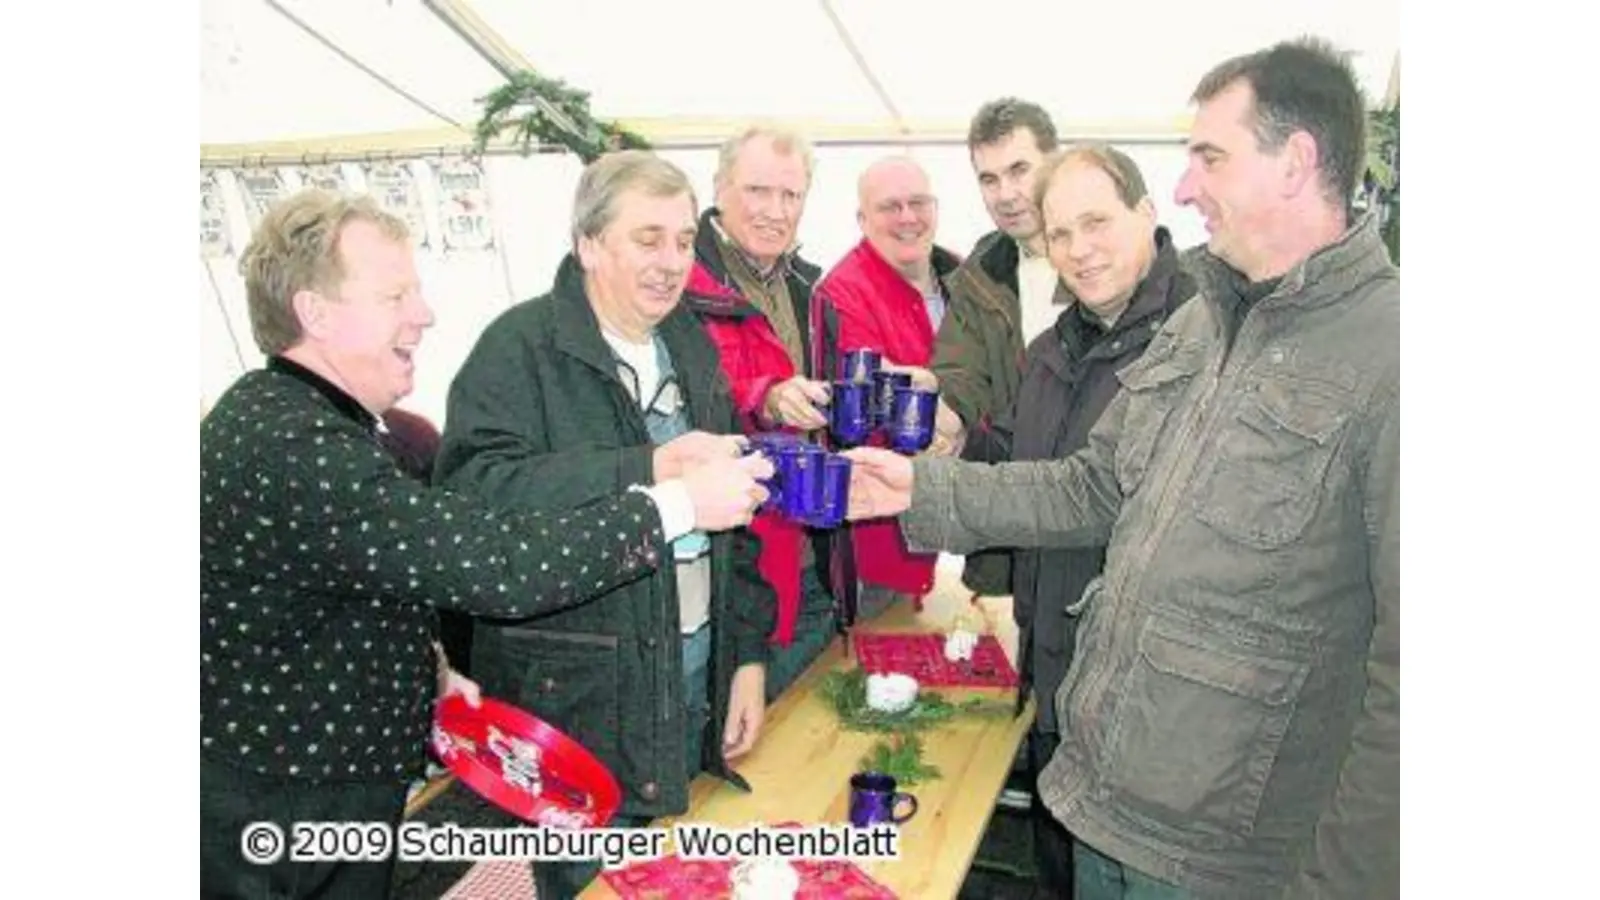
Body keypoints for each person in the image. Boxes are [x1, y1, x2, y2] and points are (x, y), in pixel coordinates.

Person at [845, 37, 1398, 900]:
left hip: (1224, 858)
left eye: (1210, 157)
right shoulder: (1205, 323)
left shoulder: (1396, 355)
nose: (1185, 188)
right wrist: (921, 487)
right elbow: (1093, 485)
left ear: (1295, 162)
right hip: (1104, 797)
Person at [200, 189, 770, 900]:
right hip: (282, 809)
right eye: (395, 296)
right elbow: (497, 567)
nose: (424, 314)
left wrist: (431, 673)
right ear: (315, 313)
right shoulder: (292, 444)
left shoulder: (304, 418)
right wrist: (677, 504)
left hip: (324, 785)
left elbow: (372, 571)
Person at [432, 150, 780, 900]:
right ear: (588, 244)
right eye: (647, 239)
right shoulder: (518, 348)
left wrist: (745, 658)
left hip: (690, 684)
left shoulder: (689, 343)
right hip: (576, 712)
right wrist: (646, 467)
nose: (672, 262)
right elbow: (473, 497)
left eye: (684, 241)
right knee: (590, 884)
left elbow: (736, 514)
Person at [956, 143, 1198, 897]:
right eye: (1060, 233)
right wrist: (952, 438)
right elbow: (1019, 460)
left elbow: (1087, 495)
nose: (1079, 249)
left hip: (1149, 705)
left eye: (1097, 223)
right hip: (1056, 671)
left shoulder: (1203, 338)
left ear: (1147, 214)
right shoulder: (1051, 350)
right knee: (1059, 871)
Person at [681, 125, 844, 699]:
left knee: (792, 720)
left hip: (808, 553)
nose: (775, 211)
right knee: (732, 719)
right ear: (719, 188)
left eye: (791, 195)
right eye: (757, 191)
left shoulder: (810, 288)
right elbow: (682, 403)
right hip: (729, 564)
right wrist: (765, 395)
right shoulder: (680, 285)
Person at [811, 155, 962, 615]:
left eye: (918, 203)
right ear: (862, 219)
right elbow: (875, 404)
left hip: (947, 519)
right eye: (889, 206)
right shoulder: (842, 292)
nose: (907, 217)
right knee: (880, 642)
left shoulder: (961, 277)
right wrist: (951, 423)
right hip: (878, 539)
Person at [930, 97, 1063, 597]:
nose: (1005, 194)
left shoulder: (1106, 260)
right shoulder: (981, 272)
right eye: (988, 179)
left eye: (1019, 170)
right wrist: (943, 412)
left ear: (1055, 160)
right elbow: (960, 373)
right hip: (1015, 518)